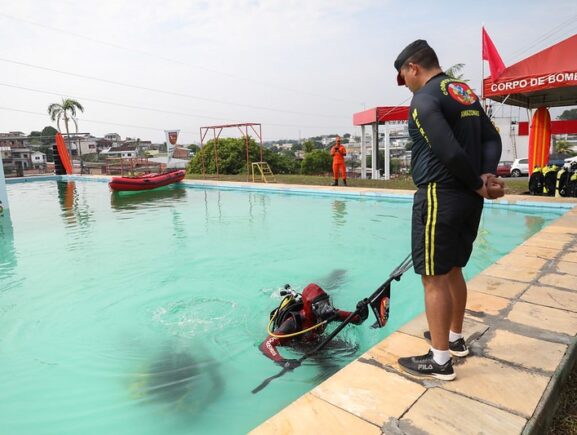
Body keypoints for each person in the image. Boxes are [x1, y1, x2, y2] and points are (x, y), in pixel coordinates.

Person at [393, 40, 503, 381]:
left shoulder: (424, 98)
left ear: (414, 67)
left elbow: (448, 151)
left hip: (440, 195)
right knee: (454, 269)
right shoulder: (463, 92)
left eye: (403, 77)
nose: (406, 85)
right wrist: (485, 175)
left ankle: (440, 361)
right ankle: (454, 339)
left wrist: (476, 182)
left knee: (434, 277)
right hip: (468, 199)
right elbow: (492, 138)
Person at [259, 283, 368, 368]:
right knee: (327, 364)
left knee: (352, 350)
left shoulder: (328, 314)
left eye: (326, 302)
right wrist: (281, 361)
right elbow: (266, 345)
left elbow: (356, 320)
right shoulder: (293, 322)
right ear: (310, 308)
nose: (326, 308)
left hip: (316, 340)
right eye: (320, 305)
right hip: (298, 344)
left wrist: (362, 311)